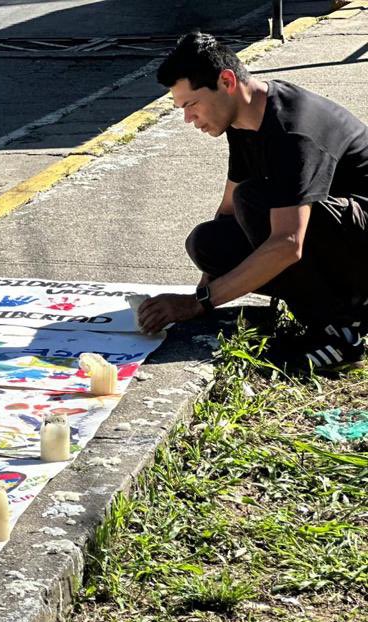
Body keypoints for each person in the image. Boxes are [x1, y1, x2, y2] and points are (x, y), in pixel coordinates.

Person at [139, 32, 368, 372]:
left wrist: (197, 303)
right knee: (208, 243)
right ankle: (332, 308)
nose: (188, 119)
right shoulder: (244, 120)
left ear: (227, 81)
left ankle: (340, 334)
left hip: (359, 241)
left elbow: (288, 243)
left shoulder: (293, 129)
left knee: (255, 201)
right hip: (333, 238)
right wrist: (205, 288)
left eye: (191, 105)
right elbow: (227, 210)